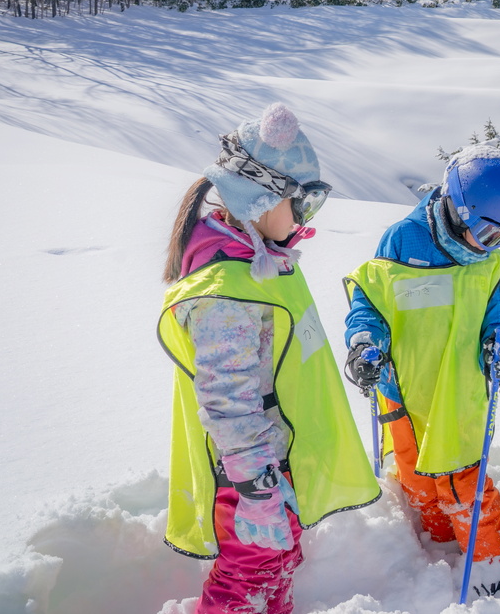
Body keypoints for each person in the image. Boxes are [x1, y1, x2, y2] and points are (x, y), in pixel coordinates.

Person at [157, 102, 381, 614]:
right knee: (249, 574)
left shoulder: (259, 264)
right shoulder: (227, 292)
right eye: (299, 204)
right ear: (258, 198)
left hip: (276, 461)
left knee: (278, 564)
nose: (303, 220)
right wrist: (256, 484)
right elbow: (226, 397)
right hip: (249, 474)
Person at [341, 144, 500, 597]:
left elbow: (498, 311)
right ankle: (438, 540)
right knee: (414, 474)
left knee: (464, 478)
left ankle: (495, 563)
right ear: (457, 206)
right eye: (488, 233)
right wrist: (366, 344)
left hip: (458, 390)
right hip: (403, 388)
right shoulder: (402, 241)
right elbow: (371, 301)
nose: (492, 246)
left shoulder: (488, 260)